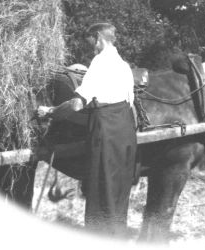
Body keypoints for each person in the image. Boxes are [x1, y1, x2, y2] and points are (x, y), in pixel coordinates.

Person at [36, 23, 136, 237]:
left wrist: (50, 111)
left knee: (100, 193)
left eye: (89, 41)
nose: (89, 46)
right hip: (126, 130)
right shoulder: (124, 65)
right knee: (118, 194)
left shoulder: (100, 62)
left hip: (106, 130)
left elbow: (77, 105)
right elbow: (129, 102)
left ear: (98, 37)